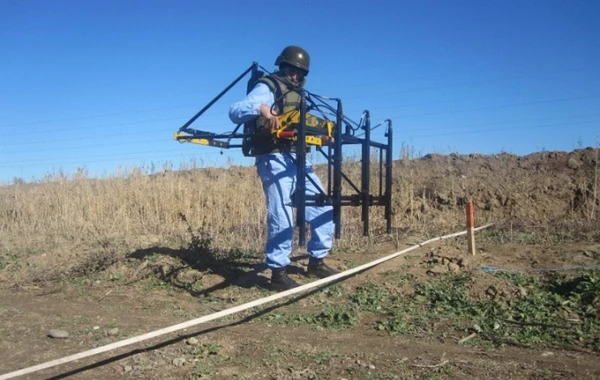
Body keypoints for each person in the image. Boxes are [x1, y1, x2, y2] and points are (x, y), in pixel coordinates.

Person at [228, 45, 339, 291]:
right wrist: (263, 109)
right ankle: (278, 272)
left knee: (323, 204)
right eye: (292, 70)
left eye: (300, 73)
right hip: (274, 157)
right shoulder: (268, 87)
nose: (296, 76)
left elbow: (302, 129)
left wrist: (323, 138)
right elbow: (235, 111)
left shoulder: (300, 96)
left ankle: (317, 261)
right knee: (282, 214)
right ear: (283, 67)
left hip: (299, 158)